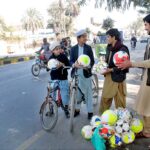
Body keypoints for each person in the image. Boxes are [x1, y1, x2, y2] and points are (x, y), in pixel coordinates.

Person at [117, 14, 150, 138]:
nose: (145, 28)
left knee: (147, 106)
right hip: (147, 78)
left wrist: (132, 63)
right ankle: (147, 130)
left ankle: (147, 132)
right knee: (145, 105)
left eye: (146, 25)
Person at [99, 28, 130, 114]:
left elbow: (125, 65)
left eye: (108, 37)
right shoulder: (109, 47)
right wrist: (102, 65)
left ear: (114, 37)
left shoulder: (122, 49)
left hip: (119, 79)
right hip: (109, 78)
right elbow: (107, 61)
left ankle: (121, 124)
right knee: (105, 100)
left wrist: (111, 69)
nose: (107, 38)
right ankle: (103, 121)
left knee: (120, 105)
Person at [70, 29, 95, 120]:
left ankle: (90, 111)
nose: (85, 38)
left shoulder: (88, 48)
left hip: (86, 72)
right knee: (77, 93)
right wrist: (74, 65)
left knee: (88, 92)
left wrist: (88, 66)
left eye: (85, 36)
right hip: (77, 73)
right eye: (83, 36)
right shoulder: (73, 49)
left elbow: (92, 60)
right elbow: (71, 61)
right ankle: (77, 110)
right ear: (78, 38)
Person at [49, 41, 70, 118]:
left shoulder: (63, 56)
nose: (58, 50)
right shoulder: (51, 58)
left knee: (65, 95)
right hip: (54, 79)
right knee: (51, 94)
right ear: (52, 51)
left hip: (63, 78)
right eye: (56, 49)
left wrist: (62, 64)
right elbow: (48, 67)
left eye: (59, 48)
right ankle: (51, 109)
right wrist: (49, 67)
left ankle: (66, 109)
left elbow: (68, 65)